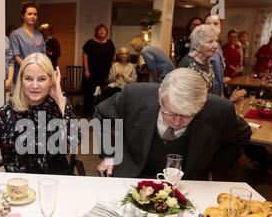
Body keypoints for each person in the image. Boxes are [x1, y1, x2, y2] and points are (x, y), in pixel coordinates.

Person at [94, 68, 251, 180]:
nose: (176, 122)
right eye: (169, 113)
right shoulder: (134, 95)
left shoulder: (219, 109)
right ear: (160, 97)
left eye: (186, 116)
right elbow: (101, 115)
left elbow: (242, 135)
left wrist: (215, 169)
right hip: (132, 175)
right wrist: (110, 154)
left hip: (188, 182)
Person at [0, 53, 79, 175]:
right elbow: (10, 162)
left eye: (41, 79)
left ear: (51, 81)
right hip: (24, 181)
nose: (34, 86)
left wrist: (60, 100)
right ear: (21, 80)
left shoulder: (59, 105)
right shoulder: (7, 113)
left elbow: (75, 141)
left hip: (58, 177)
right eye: (29, 78)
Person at [82, 24, 116, 116]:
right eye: (100, 30)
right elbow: (84, 56)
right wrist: (86, 70)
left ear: (106, 32)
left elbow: (114, 57)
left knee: (103, 92)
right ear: (96, 32)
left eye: (104, 30)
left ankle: (101, 112)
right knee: (89, 92)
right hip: (91, 71)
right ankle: (88, 111)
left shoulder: (110, 43)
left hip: (105, 72)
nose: (102, 32)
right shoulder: (90, 43)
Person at [9, 2, 46, 81]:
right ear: (23, 16)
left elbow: (43, 56)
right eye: (29, 14)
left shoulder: (39, 35)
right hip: (22, 75)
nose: (32, 17)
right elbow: (16, 57)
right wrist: (30, 70)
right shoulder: (15, 35)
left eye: (35, 14)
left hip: (38, 75)